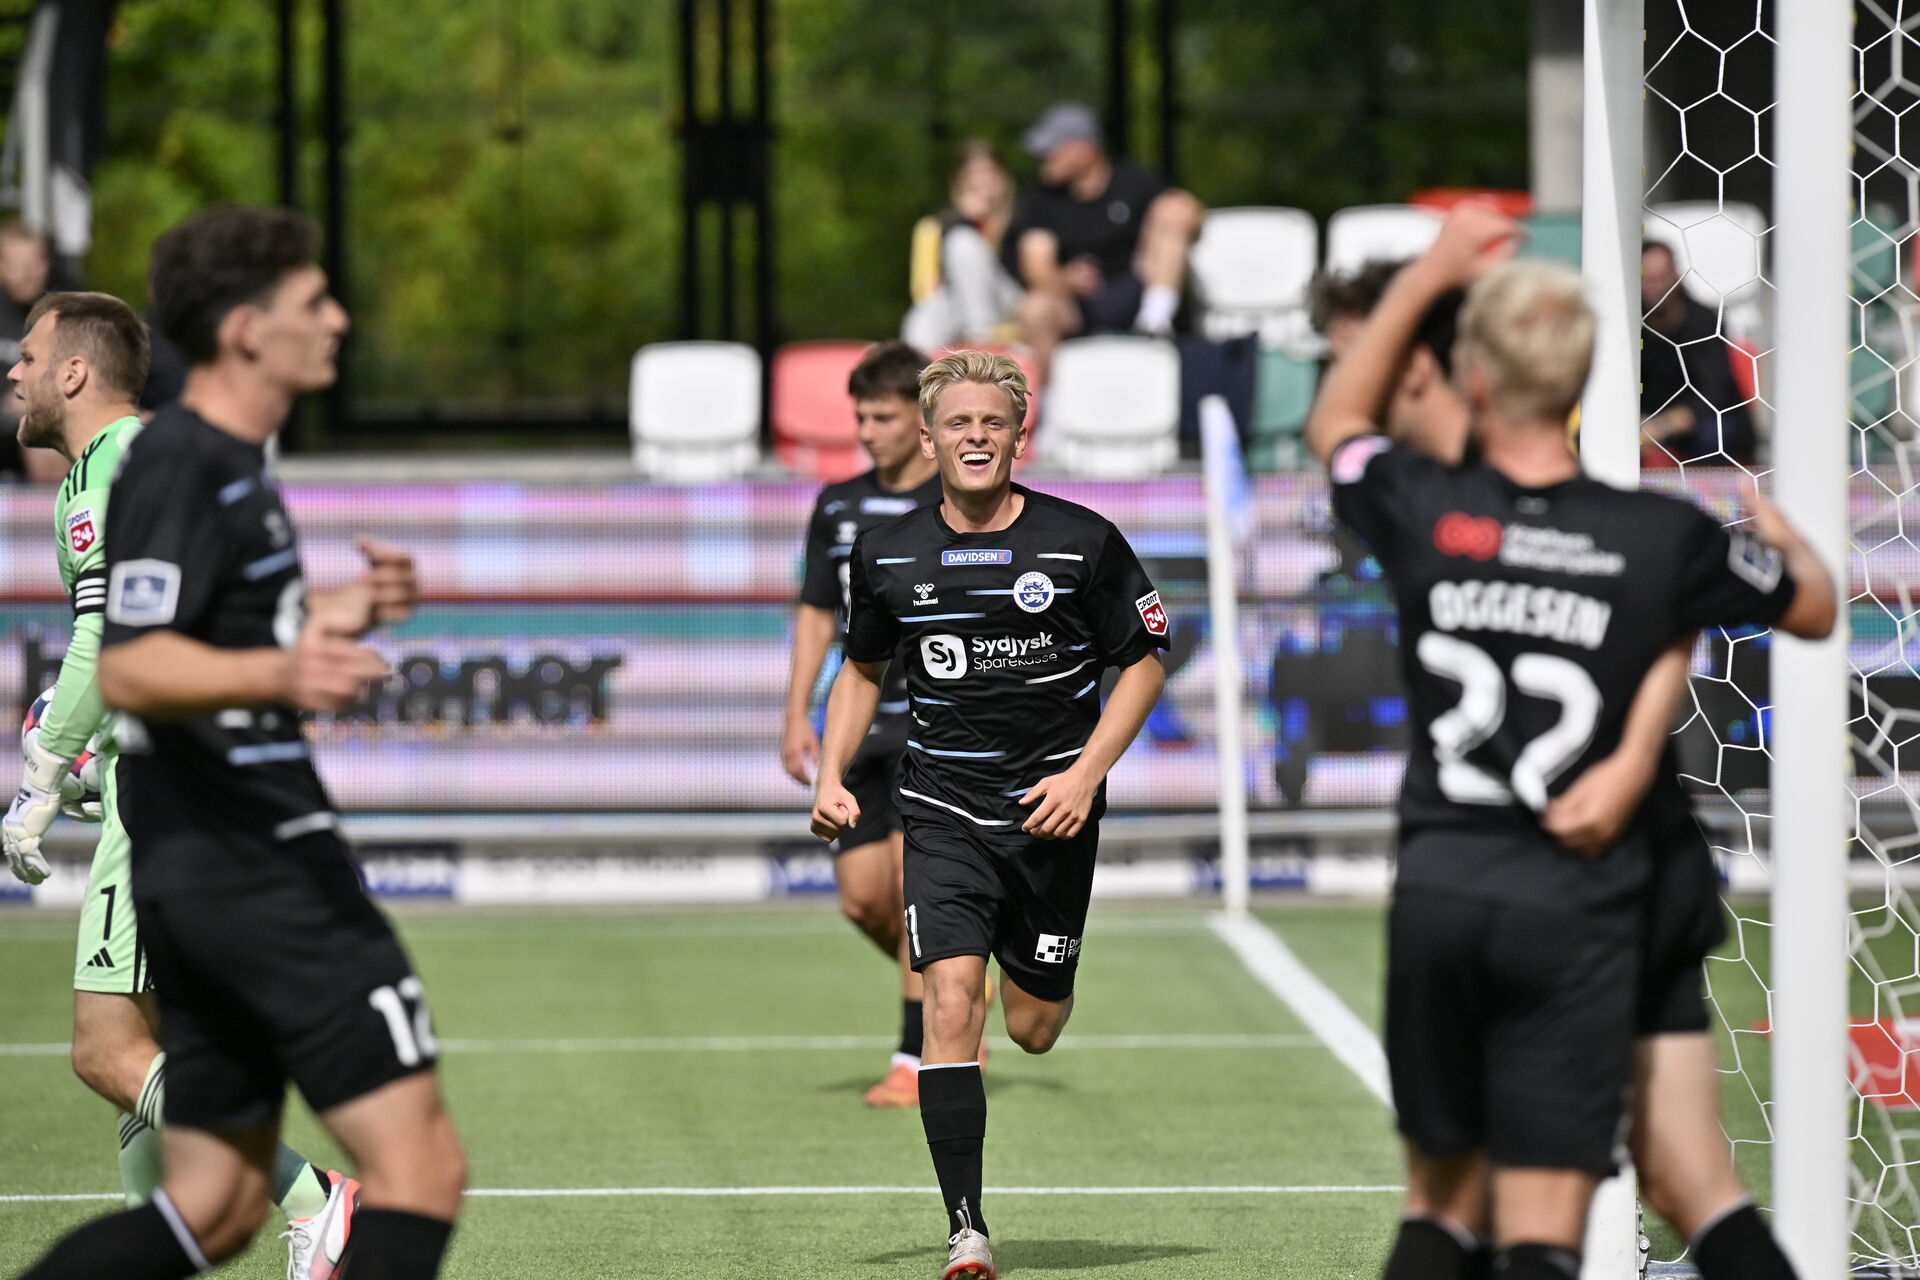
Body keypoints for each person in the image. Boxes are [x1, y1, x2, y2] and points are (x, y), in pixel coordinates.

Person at [1305, 206, 1835, 1280]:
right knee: (1576, 1219)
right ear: (1593, 380)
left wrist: (1431, 273)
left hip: (1448, 876)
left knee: (1443, 1208)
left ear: (1474, 378)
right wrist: (1784, 549)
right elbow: (1814, 606)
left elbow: (1335, 423)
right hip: (1584, 884)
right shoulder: (1658, 535)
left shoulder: (1425, 505)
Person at [10, 206, 467, 1280]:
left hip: (227, 850)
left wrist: (326, 619)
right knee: (422, 1172)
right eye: (317, 300)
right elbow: (125, 662)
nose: (340, 319)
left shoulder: (214, 463)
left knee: (207, 1211)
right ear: (251, 327)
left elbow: (174, 644)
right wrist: (281, 666)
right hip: (249, 863)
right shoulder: (175, 460)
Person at [0, 290, 354, 1277]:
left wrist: (39, 770)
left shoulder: (116, 465)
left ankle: (314, 1198)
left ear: (75, 370)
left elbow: (107, 633)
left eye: (27, 355)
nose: (14, 373)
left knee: (106, 1052)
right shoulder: (119, 470)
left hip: (168, 801)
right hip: (181, 783)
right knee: (138, 1052)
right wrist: (81, 753)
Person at [810, 349, 1169, 1280]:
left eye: (992, 423)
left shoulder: (1081, 541)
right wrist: (831, 771)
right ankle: (967, 1229)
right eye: (958, 424)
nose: (975, 437)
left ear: (1020, 433)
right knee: (950, 999)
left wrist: (1085, 777)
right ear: (929, 438)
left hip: (1053, 812)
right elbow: (861, 670)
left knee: (1035, 1027)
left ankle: (1038, 960)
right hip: (941, 810)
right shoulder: (887, 549)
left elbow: (1141, 664)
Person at [782, 340, 947, 1107]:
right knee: (862, 898)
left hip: (934, 727)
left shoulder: (958, 503)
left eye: (881, 416)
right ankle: (953, 989)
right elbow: (818, 612)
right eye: (860, 417)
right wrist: (797, 713)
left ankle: (917, 1059)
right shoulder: (839, 506)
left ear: (920, 420)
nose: (867, 431)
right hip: (858, 723)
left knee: (918, 891)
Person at [1006, 101, 1202, 377]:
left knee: (1171, 213)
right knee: (1034, 308)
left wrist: (1180, 213)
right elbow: (1036, 267)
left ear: (1084, 149)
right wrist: (1065, 278)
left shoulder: (1134, 180)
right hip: (1077, 307)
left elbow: (1189, 212)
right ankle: (1050, 403)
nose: (1042, 156)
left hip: (1136, 285)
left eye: (1052, 148)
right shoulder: (1041, 200)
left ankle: (1156, 323)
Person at [1639, 239, 1756, 464]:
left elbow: (1716, 393)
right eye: (1649, 280)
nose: (1657, 286)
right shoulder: (1631, 326)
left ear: (1677, 276)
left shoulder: (1703, 321)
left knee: (1716, 436)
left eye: (1662, 277)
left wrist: (1666, 424)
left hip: (1703, 421)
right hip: (1649, 422)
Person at [902, 141, 1024, 353]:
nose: (981, 180)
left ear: (1003, 177)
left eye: (988, 172)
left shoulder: (1023, 217)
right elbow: (925, 289)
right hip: (958, 306)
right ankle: (913, 368)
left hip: (1010, 303)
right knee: (926, 313)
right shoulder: (943, 223)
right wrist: (962, 219)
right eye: (972, 173)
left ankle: (980, 337)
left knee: (963, 243)